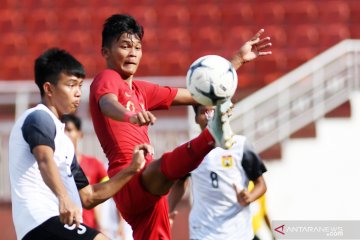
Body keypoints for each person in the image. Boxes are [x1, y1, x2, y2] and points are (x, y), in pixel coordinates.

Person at [89, 13, 272, 239]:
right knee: (164, 166)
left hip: (148, 190)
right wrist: (129, 116)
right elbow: (107, 103)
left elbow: (198, 95)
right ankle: (210, 136)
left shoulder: (142, 91)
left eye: (137, 47)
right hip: (128, 176)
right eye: (125, 46)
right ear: (105, 52)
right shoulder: (107, 78)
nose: (133, 53)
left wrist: (237, 61)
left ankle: (211, 135)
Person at [8, 48, 151, 240]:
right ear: (49, 89)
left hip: (59, 226)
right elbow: (43, 159)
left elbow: (89, 196)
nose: (78, 93)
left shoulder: (65, 143)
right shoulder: (38, 117)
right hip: (42, 222)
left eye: (80, 85)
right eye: (71, 85)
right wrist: (64, 198)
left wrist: (132, 169)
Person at [168, 105, 268, 240]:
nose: (210, 117)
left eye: (214, 112)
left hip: (238, 233)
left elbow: (261, 184)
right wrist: (168, 212)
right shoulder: (189, 149)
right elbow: (180, 182)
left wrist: (249, 197)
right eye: (204, 112)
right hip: (203, 233)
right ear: (196, 118)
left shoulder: (241, 145)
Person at [61, 114, 109, 230]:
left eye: (69, 130)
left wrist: (100, 225)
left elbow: (100, 196)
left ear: (79, 134)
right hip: (60, 228)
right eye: (62, 130)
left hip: (86, 228)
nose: (65, 134)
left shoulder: (95, 165)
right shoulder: (53, 165)